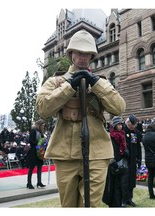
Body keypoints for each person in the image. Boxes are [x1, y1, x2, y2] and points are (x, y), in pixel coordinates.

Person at [36, 29, 126, 207]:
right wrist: (69, 85)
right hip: (65, 153)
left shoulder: (100, 81)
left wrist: (96, 83)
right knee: (68, 206)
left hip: (96, 153)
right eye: (79, 52)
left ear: (92, 56)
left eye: (88, 53)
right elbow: (43, 109)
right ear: (71, 54)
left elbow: (119, 107)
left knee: (91, 206)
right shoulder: (56, 82)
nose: (83, 57)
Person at [102, 116, 129, 207]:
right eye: (118, 125)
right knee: (112, 187)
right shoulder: (110, 136)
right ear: (114, 125)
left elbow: (125, 148)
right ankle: (113, 205)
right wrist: (113, 163)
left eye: (121, 124)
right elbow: (107, 150)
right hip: (113, 166)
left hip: (121, 165)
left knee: (120, 186)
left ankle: (120, 203)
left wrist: (125, 153)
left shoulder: (122, 135)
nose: (120, 126)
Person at [123, 114, 142, 207]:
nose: (133, 127)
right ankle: (123, 199)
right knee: (124, 181)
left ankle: (129, 199)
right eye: (132, 125)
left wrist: (139, 160)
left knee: (131, 181)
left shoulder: (136, 132)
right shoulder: (122, 131)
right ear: (128, 122)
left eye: (134, 125)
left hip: (133, 160)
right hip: (124, 160)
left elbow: (138, 147)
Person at [26, 119, 46, 189]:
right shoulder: (33, 131)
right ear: (39, 125)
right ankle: (29, 183)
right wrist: (38, 146)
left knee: (40, 167)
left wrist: (43, 145)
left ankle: (39, 182)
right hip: (33, 151)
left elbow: (43, 140)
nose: (43, 126)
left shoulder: (41, 132)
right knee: (31, 168)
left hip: (40, 151)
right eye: (42, 125)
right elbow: (31, 141)